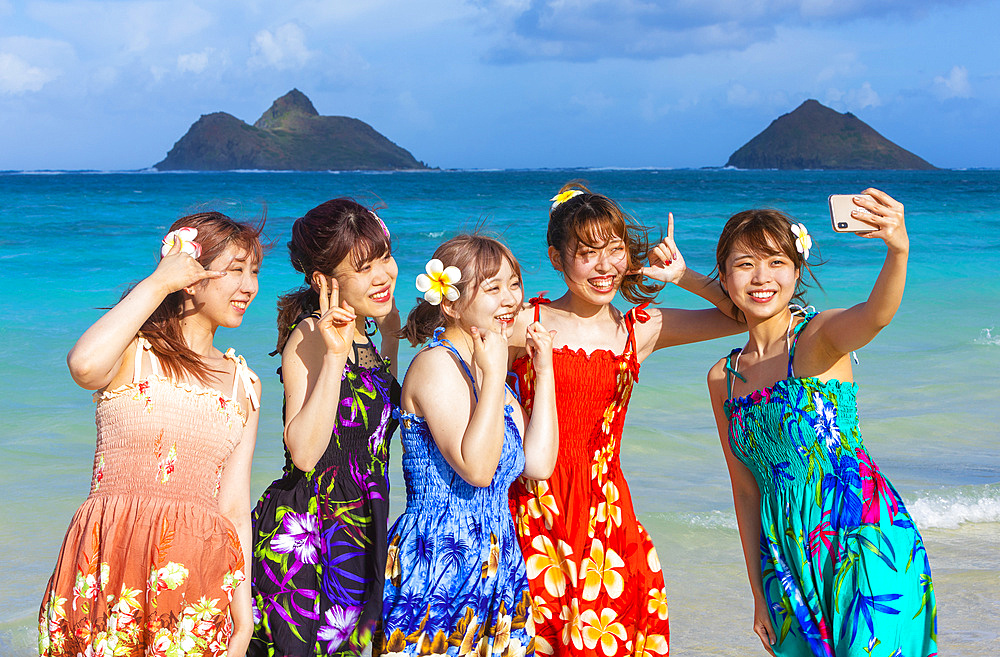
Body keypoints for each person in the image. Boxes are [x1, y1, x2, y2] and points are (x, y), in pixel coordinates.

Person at [508, 183, 744, 657]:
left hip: (608, 517)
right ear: (556, 258)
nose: (604, 267)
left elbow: (740, 316)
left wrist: (683, 276)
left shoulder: (641, 328)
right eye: (588, 253)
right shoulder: (524, 321)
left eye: (614, 250)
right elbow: (451, 341)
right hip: (531, 510)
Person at [706, 189, 937, 656]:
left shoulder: (816, 338)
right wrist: (758, 592)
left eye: (775, 262)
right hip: (786, 559)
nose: (761, 277)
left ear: (797, 271)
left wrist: (898, 249)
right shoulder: (723, 379)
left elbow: (877, 316)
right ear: (726, 280)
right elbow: (745, 490)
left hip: (863, 540)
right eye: (745, 264)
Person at [38, 212, 265, 657]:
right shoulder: (132, 353)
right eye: (236, 270)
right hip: (107, 557)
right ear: (191, 278)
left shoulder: (244, 384)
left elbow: (234, 507)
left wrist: (244, 610)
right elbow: (83, 366)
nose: (250, 287)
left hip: (195, 575)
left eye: (254, 272)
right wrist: (159, 282)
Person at [378, 234, 559, 657]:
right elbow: (477, 470)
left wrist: (543, 370)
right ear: (451, 304)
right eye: (493, 288)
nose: (511, 299)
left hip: (496, 558)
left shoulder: (493, 370)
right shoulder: (435, 365)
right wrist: (494, 376)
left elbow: (539, 464)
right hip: (438, 560)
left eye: (514, 284)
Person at [250, 199, 401, 656]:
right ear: (323, 282)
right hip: (312, 536)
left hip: (360, 526)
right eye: (364, 268)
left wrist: (391, 333)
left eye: (384, 259)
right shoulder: (313, 336)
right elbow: (304, 451)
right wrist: (335, 355)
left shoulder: (363, 334)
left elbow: (373, 417)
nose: (383, 275)